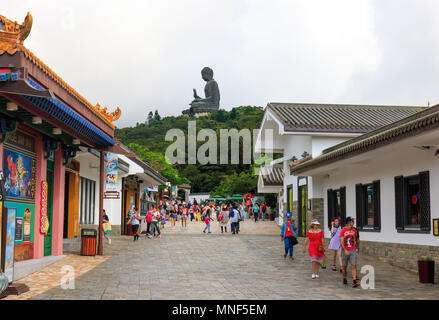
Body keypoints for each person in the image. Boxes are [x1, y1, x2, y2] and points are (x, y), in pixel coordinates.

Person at [340, 217, 359, 287]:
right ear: (349, 222)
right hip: (345, 250)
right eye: (352, 221)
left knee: (354, 265)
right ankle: (344, 278)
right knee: (344, 267)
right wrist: (345, 250)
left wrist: (356, 247)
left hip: (353, 250)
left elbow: (355, 239)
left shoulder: (354, 230)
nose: (353, 222)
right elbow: (341, 241)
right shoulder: (343, 230)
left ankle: (354, 281)